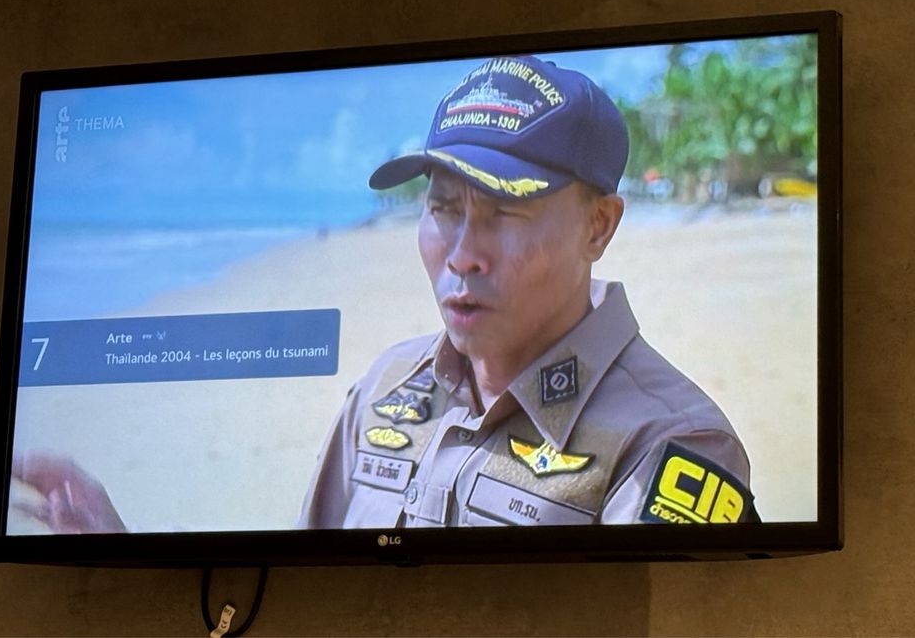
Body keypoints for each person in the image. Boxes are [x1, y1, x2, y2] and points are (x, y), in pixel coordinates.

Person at [298, 54, 758, 528]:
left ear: (597, 227)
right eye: (443, 209)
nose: (462, 256)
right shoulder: (383, 387)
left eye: (504, 213)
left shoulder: (665, 443)